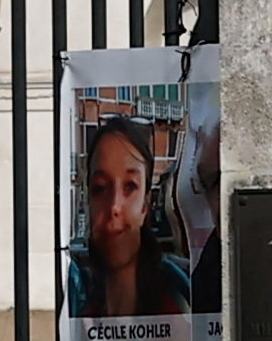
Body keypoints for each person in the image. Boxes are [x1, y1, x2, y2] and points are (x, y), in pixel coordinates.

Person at [66, 113, 185, 321]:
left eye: (130, 186)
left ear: (145, 206)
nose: (114, 206)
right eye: (100, 188)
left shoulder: (178, 315)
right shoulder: (73, 309)